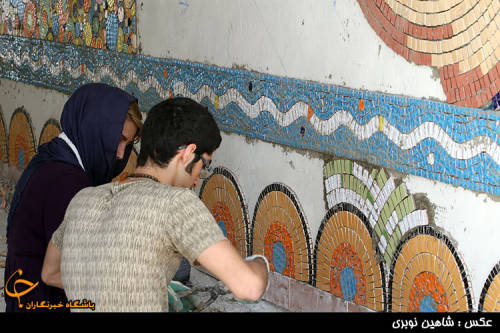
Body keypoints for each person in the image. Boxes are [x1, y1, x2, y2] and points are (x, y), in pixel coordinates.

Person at [41, 97, 269, 312]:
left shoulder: (83, 199)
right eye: (204, 165)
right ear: (188, 154)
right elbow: (249, 287)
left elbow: (50, 273)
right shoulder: (176, 203)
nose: (197, 179)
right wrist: (259, 264)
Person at [4, 83, 143, 312]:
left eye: (127, 144)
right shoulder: (66, 181)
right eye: (118, 140)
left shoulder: (56, 155)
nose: (120, 154)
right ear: (95, 128)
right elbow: (71, 271)